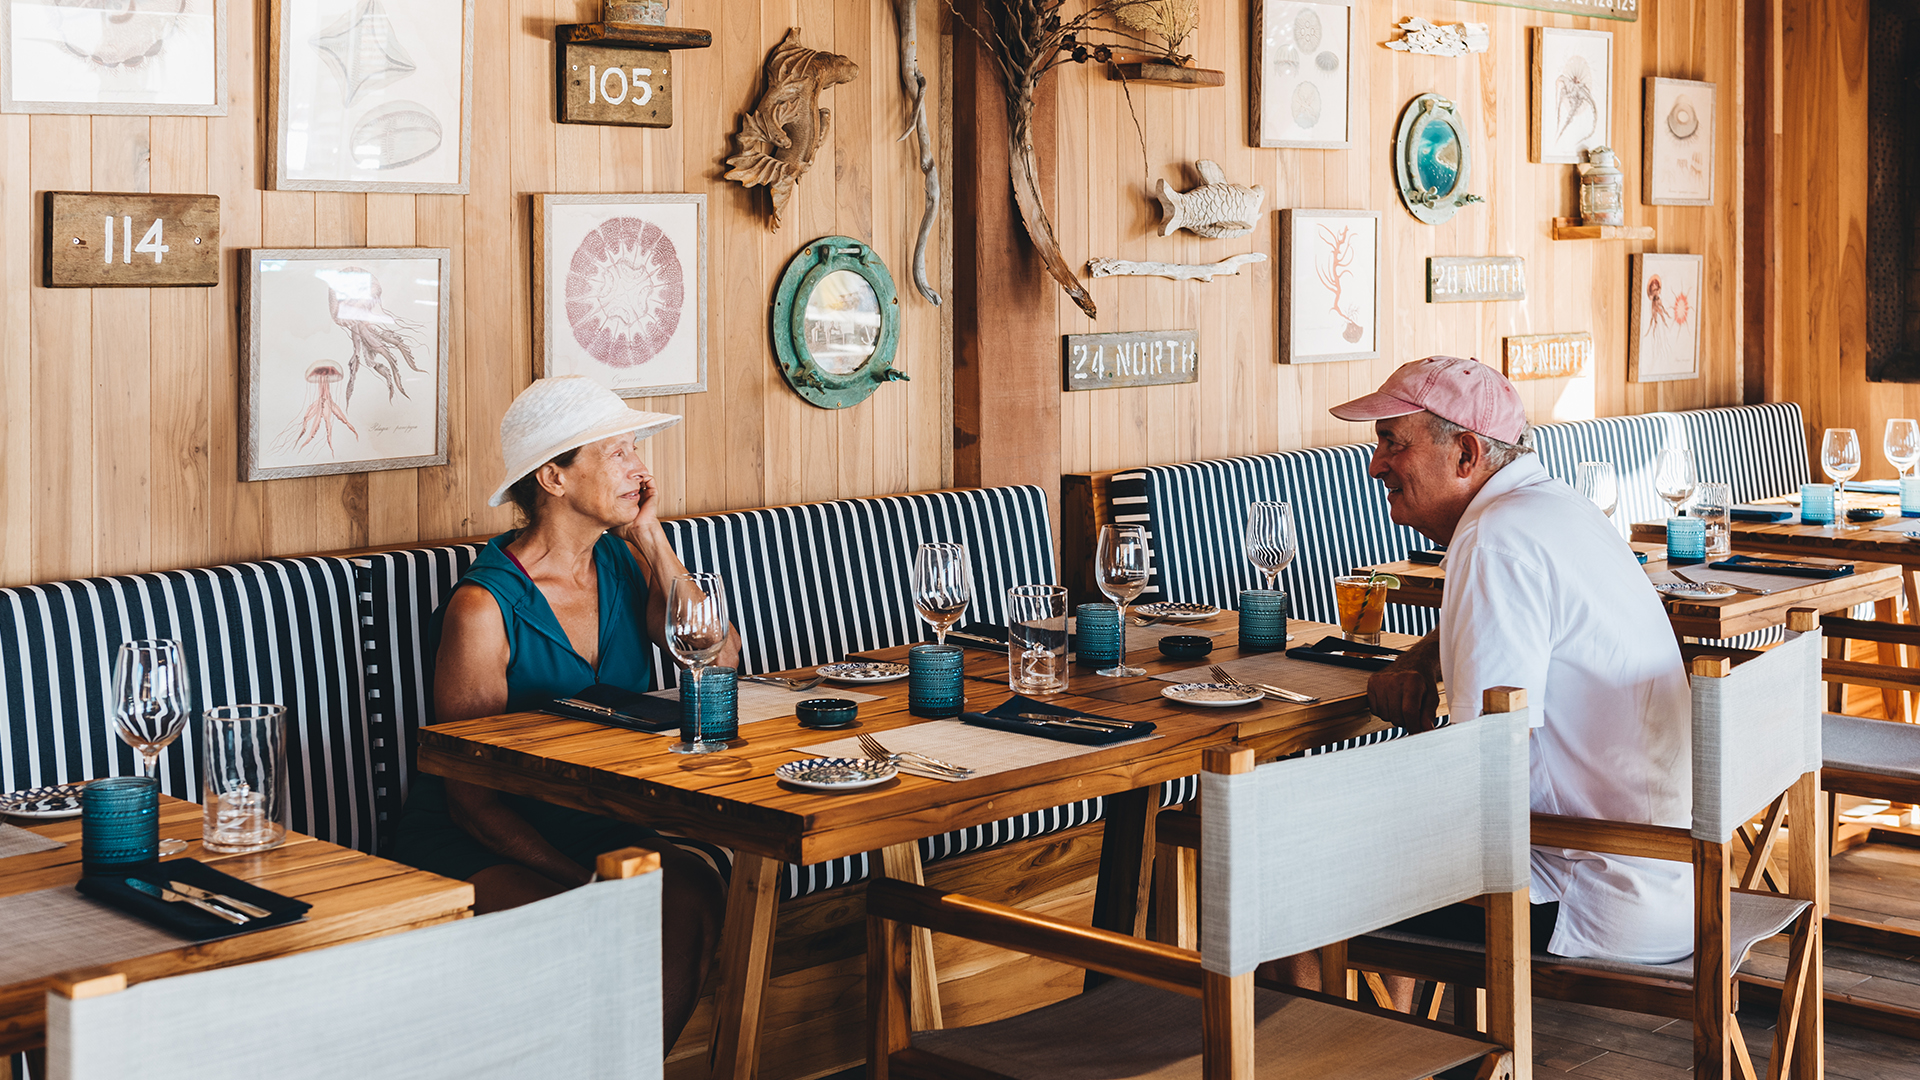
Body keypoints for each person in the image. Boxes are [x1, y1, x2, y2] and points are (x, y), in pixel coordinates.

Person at [392, 375, 738, 1047]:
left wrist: (652, 538)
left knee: (693, 895)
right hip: (484, 837)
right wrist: (586, 882)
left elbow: (719, 662)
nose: (640, 468)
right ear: (553, 476)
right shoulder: (483, 608)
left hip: (605, 818)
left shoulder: (626, 562)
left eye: (636, 447)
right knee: (603, 931)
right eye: (617, 452)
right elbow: (471, 800)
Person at [1331, 355, 1694, 966]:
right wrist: (1425, 658)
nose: (1376, 465)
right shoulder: (1554, 505)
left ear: (1466, 454)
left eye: (1393, 444)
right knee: (1372, 841)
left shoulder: (1494, 539)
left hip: (1583, 891)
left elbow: (1485, 759)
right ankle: (1411, 1042)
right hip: (1671, 882)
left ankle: (1341, 1055)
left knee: (1284, 863)